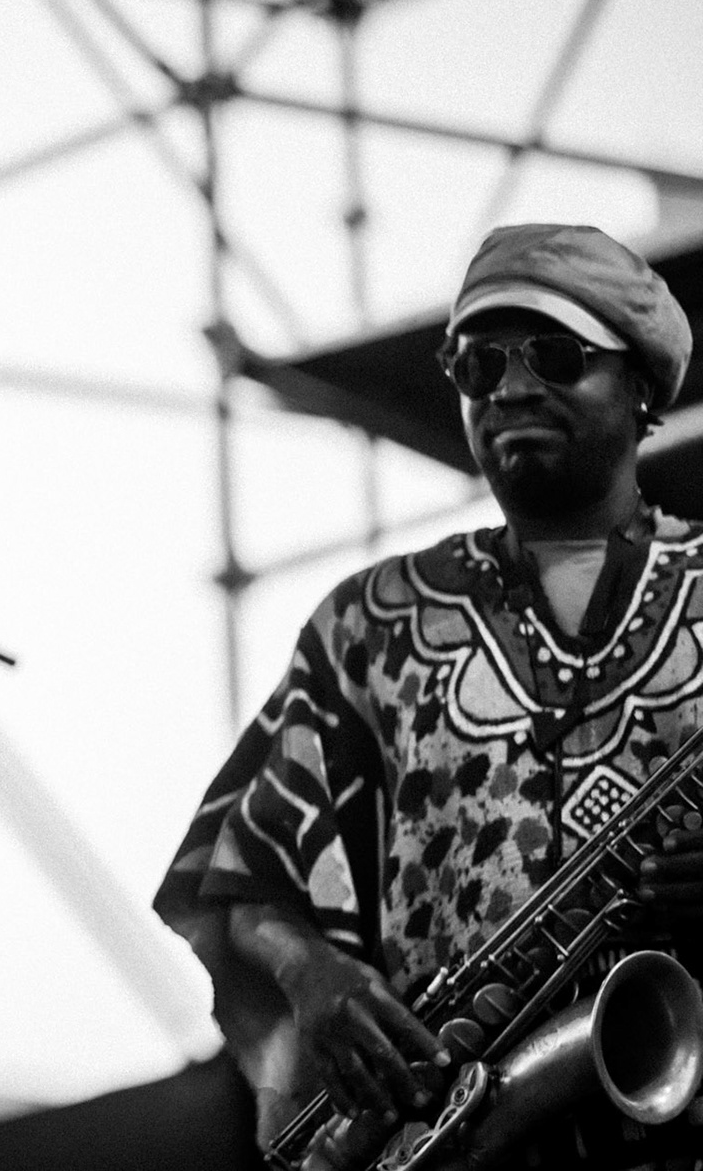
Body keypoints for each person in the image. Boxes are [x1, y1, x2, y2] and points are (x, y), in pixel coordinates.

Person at [156, 222, 703, 1169]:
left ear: (643, 387)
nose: (510, 389)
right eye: (478, 365)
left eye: (556, 355)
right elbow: (245, 879)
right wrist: (314, 974)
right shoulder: (367, 623)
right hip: (450, 1130)